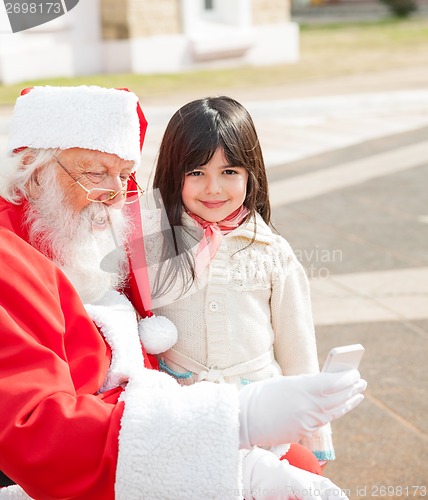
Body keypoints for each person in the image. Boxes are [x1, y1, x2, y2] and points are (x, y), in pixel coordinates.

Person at [0, 85, 366, 500]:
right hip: (107, 459)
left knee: (298, 465)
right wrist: (239, 424)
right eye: (95, 174)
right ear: (32, 174)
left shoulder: (81, 231)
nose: (117, 196)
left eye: (124, 176)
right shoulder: (11, 260)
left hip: (159, 420)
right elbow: (37, 429)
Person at [147, 96, 335, 473]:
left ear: (251, 173)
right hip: (181, 416)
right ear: (173, 174)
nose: (213, 188)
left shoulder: (273, 253)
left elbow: (299, 351)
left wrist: (316, 437)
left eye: (229, 171)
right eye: (196, 173)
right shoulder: (151, 246)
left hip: (262, 418)